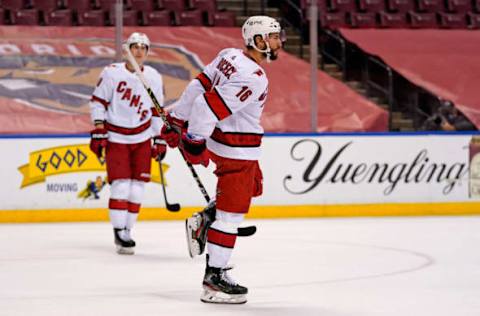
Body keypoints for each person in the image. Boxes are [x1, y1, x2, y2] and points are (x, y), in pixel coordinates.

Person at [160, 16, 284, 304]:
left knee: (252, 187)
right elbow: (206, 104)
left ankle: (204, 221)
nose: (280, 42)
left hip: (232, 145)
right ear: (259, 41)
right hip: (235, 149)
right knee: (232, 214)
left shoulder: (229, 55)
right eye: (274, 36)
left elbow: (197, 88)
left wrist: (178, 119)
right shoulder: (253, 77)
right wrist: (193, 141)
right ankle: (214, 279)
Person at [89, 32, 167, 255]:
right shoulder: (112, 73)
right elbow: (98, 102)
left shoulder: (153, 76)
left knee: (138, 189)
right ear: (127, 50)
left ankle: (128, 231)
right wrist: (99, 128)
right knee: (121, 186)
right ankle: (119, 232)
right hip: (117, 137)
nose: (139, 51)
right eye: (135, 46)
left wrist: (159, 137)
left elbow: (156, 111)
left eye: (144, 47)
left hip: (142, 137)